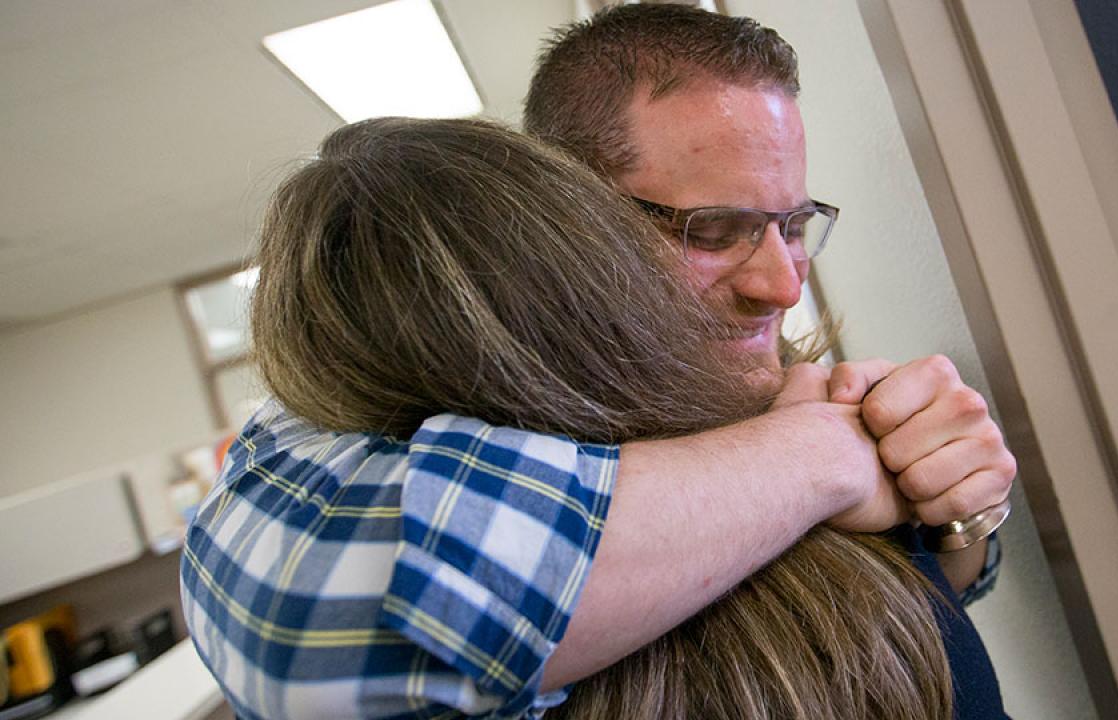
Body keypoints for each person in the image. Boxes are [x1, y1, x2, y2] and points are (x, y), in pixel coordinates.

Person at [184, 7, 1015, 719]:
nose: (782, 286)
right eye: (715, 229)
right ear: (572, 219)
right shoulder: (431, 442)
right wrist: (824, 455)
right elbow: (312, 643)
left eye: (792, 223)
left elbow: (931, 586)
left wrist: (950, 507)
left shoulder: (778, 375)